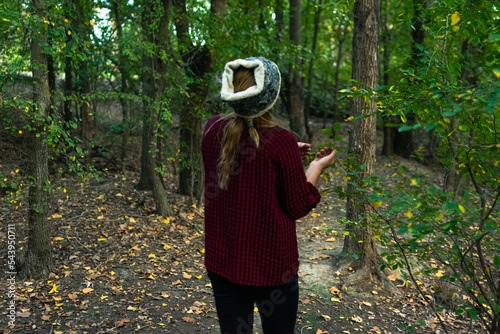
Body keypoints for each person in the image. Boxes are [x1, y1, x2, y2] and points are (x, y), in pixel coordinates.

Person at [201, 57, 336, 334]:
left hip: (223, 262)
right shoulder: (281, 141)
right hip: (272, 268)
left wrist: (284, 159)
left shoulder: (212, 129)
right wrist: (315, 167)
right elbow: (299, 205)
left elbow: (246, 157)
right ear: (271, 96)